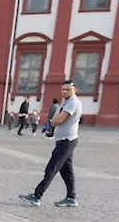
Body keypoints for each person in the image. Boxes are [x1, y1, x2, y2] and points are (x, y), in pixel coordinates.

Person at [19, 80, 82, 208]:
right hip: (64, 140)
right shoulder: (66, 101)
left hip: (67, 141)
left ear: (74, 90)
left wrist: (52, 122)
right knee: (67, 171)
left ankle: (37, 196)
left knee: (52, 168)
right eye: (63, 89)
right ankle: (71, 197)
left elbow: (59, 118)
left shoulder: (73, 102)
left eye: (67, 89)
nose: (64, 91)